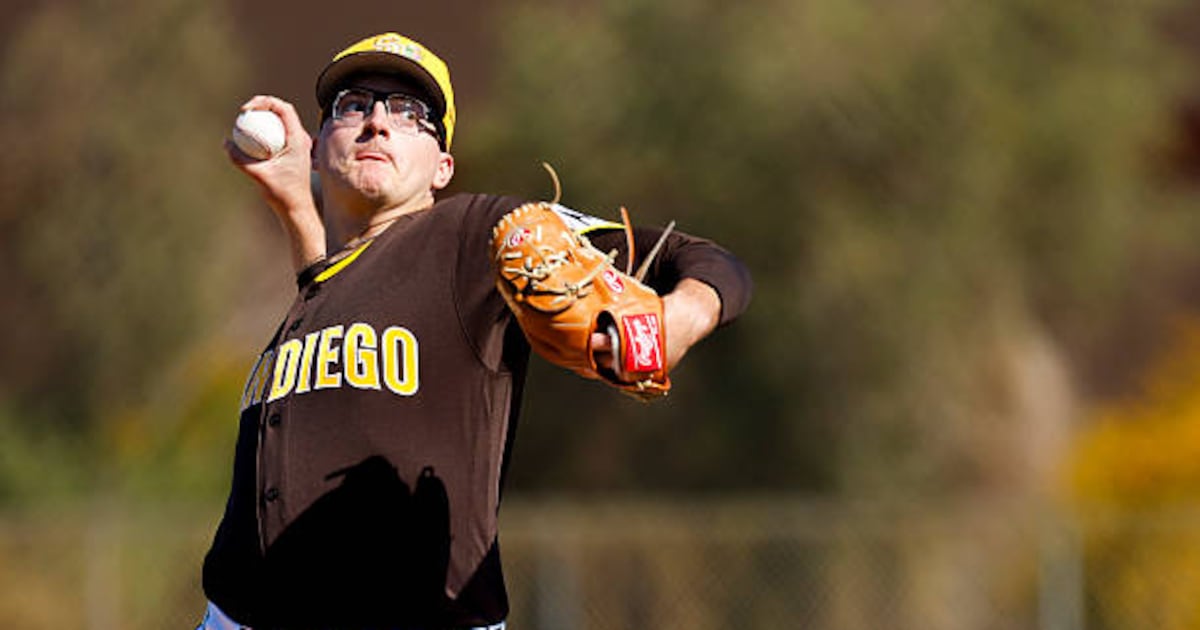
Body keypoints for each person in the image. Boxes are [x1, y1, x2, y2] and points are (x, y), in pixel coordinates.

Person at [198, 32, 752, 630]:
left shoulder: (471, 235)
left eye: (410, 114)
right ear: (317, 149)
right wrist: (293, 206)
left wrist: (680, 319)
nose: (377, 122)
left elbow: (698, 256)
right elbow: (338, 288)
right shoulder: (317, 293)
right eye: (353, 105)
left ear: (443, 167)